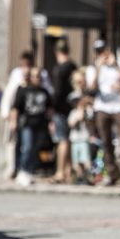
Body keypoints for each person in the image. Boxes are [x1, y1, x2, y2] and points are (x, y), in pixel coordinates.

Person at [86, 39, 120, 185]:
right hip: (102, 107)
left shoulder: (118, 64)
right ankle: (112, 173)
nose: (102, 54)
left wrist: (116, 65)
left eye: (103, 50)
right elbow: (91, 89)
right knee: (105, 142)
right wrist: (99, 68)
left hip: (119, 106)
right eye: (99, 52)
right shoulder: (93, 68)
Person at [10, 67, 53, 186]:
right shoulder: (23, 90)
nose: (37, 78)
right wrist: (13, 122)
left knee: (35, 149)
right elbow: (15, 108)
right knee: (27, 147)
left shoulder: (44, 92)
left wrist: (51, 123)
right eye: (35, 76)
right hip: (27, 124)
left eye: (39, 76)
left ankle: (29, 171)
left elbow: (49, 109)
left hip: (41, 124)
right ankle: (22, 170)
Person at [50, 40, 78, 183]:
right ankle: (68, 171)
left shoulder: (59, 68)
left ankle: (60, 172)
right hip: (73, 107)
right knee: (69, 139)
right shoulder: (73, 66)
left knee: (62, 139)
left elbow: (58, 91)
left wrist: (52, 108)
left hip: (61, 108)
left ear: (57, 52)